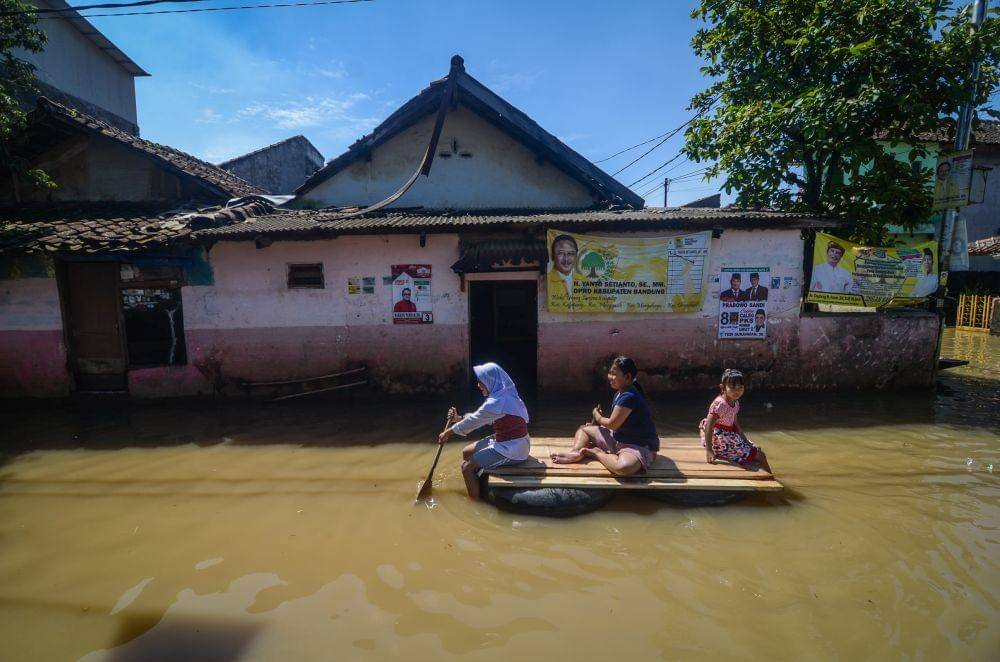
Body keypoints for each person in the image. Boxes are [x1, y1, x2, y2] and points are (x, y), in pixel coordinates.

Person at [550, 356, 659, 476]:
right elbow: (616, 423)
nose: (610, 377)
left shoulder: (629, 396)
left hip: (636, 444)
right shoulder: (620, 392)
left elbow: (612, 424)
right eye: (610, 373)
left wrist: (597, 416)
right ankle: (576, 453)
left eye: (614, 374)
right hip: (618, 437)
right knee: (584, 430)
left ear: (627, 377)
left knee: (624, 468)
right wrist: (596, 423)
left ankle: (596, 453)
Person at [438, 362, 530, 500]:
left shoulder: (496, 402)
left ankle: (475, 504)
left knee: (466, 468)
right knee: (466, 452)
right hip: (509, 439)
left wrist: (448, 432)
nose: (478, 385)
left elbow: (475, 420)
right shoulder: (507, 393)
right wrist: (459, 418)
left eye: (481, 382)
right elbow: (484, 417)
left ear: (491, 381)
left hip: (513, 449)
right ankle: (476, 482)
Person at [699, 369, 766, 467]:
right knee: (759, 455)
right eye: (733, 387)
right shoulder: (720, 404)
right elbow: (709, 425)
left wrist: (746, 441)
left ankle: (770, 475)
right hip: (719, 439)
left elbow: (735, 424)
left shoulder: (735, 402)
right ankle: (770, 475)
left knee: (757, 449)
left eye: (740, 387)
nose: (737, 391)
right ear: (723, 387)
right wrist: (709, 450)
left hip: (729, 435)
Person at [547, 234, 579, 307]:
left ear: (576, 256)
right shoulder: (547, 282)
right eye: (561, 253)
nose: (566, 259)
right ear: (552, 256)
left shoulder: (585, 282)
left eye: (571, 254)